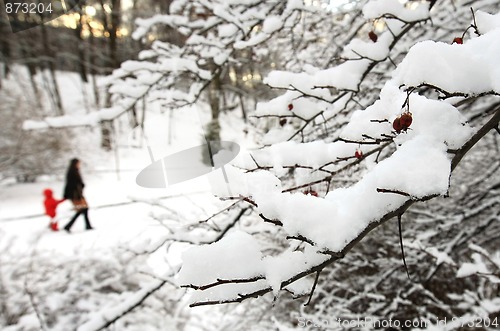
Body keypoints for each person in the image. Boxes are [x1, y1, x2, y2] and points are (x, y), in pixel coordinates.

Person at [62, 158, 93, 232]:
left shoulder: (75, 171)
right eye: (78, 163)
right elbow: (72, 185)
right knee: (82, 209)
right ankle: (68, 226)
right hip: (75, 195)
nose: (79, 165)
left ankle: (87, 225)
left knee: (84, 209)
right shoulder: (72, 172)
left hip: (78, 194)